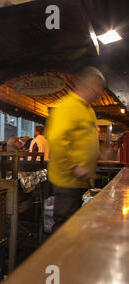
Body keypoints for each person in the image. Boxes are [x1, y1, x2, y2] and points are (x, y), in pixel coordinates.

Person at [46, 66, 105, 233]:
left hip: (81, 181)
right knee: (64, 228)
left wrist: (99, 154)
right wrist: (74, 166)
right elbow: (57, 139)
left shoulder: (87, 109)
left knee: (75, 229)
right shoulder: (68, 106)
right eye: (99, 87)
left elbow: (83, 141)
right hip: (67, 180)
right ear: (92, 85)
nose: (100, 92)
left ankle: (69, 256)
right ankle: (57, 259)